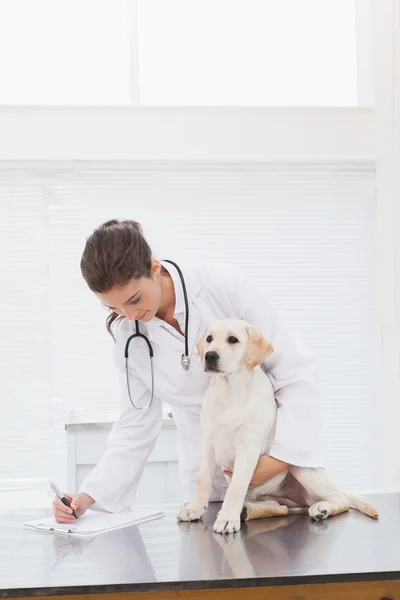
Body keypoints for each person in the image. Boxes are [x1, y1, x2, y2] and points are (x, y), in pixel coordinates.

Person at [53, 219, 324, 523]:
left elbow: (294, 374)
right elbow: (135, 427)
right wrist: (87, 496)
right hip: (206, 489)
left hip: (275, 467)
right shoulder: (130, 339)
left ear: (154, 267)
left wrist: (276, 461)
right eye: (114, 308)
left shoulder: (221, 287)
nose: (129, 315)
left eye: (134, 299)